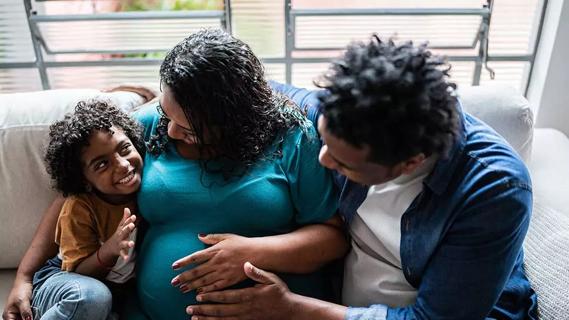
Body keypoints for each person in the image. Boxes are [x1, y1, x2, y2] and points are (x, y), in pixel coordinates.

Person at [3, 29, 348, 320]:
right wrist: (25, 275)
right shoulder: (153, 125)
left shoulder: (291, 138)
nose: (170, 133)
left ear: (235, 120)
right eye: (168, 117)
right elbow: (75, 188)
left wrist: (251, 252)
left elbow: (332, 237)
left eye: (189, 129)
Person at [185, 36, 539, 319]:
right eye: (325, 142)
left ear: (410, 161)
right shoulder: (344, 111)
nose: (323, 160)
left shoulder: (495, 190)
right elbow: (245, 91)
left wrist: (291, 309)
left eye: (343, 162)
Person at [30, 101, 142, 320]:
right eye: (101, 165)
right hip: (65, 282)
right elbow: (78, 272)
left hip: (115, 293)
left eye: (125, 149)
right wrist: (110, 249)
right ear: (84, 181)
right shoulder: (80, 208)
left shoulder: (146, 189)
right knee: (93, 297)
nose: (122, 165)